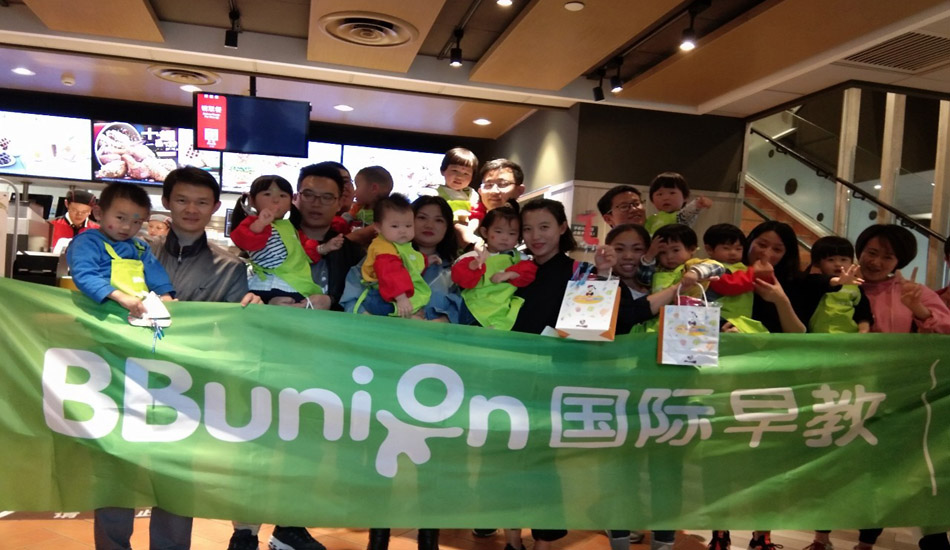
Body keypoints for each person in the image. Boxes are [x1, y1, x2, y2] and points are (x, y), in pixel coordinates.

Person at [66, 182, 174, 319]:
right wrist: (119, 296)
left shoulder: (140, 247)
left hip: (135, 314)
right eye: (120, 218)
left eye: (136, 222)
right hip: (98, 315)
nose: (127, 227)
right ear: (98, 213)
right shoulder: (87, 242)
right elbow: (85, 275)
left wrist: (165, 295)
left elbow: (156, 275)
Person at [229, 175, 334, 308]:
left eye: (283, 195)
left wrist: (324, 248)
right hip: (266, 286)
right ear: (252, 200)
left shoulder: (290, 227)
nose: (275, 200)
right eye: (267, 194)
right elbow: (246, 241)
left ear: (291, 202)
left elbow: (303, 251)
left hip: (295, 285)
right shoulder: (251, 223)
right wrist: (260, 224)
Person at [451, 200, 536, 329]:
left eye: (512, 233)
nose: (505, 237)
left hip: (501, 307)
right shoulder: (474, 256)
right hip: (472, 305)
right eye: (498, 231)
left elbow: (529, 273)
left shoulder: (520, 258)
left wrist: (510, 274)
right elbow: (459, 278)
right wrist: (473, 266)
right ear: (485, 232)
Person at [855, 224, 950, 334]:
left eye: (888, 257)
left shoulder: (914, 292)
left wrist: (919, 309)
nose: (876, 262)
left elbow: (947, 327)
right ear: (860, 251)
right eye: (872, 253)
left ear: (898, 262)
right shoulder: (839, 285)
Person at [295, 163, 366, 311]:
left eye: (327, 197)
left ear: (339, 203)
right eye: (308, 195)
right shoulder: (273, 241)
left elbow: (364, 299)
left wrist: (332, 302)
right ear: (296, 197)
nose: (316, 203)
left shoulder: (353, 254)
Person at [359, 193, 431, 318]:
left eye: (408, 225)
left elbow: (410, 261)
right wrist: (401, 297)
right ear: (378, 227)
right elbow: (390, 273)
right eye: (395, 226)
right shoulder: (383, 248)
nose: (403, 230)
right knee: (396, 309)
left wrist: (426, 260)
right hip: (381, 294)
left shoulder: (398, 244)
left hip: (396, 291)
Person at [702, 223, 770, 333]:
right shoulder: (710, 266)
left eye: (738, 249)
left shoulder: (744, 268)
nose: (733, 253)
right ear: (709, 249)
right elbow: (729, 285)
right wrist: (754, 273)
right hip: (718, 318)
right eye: (726, 248)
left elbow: (763, 286)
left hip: (740, 320)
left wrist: (766, 272)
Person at [805, 235, 872, 333]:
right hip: (817, 336)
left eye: (843, 259)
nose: (838, 264)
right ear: (818, 263)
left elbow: (863, 312)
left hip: (849, 336)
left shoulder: (856, 287)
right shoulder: (813, 282)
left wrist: (863, 329)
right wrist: (837, 281)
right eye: (831, 260)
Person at [644, 172, 711, 235]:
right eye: (660, 194)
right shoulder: (651, 219)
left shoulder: (680, 217)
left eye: (672, 193)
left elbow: (688, 212)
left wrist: (698, 203)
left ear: (685, 197)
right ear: (652, 200)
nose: (665, 198)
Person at [347, 165, 395, 247]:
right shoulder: (358, 207)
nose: (355, 191)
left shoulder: (387, 211)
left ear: (374, 188)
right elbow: (348, 218)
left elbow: (360, 235)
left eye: (357, 186)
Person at [606, 223, 651, 299]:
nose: (628, 256)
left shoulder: (660, 285)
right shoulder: (599, 287)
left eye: (637, 249)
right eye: (619, 249)